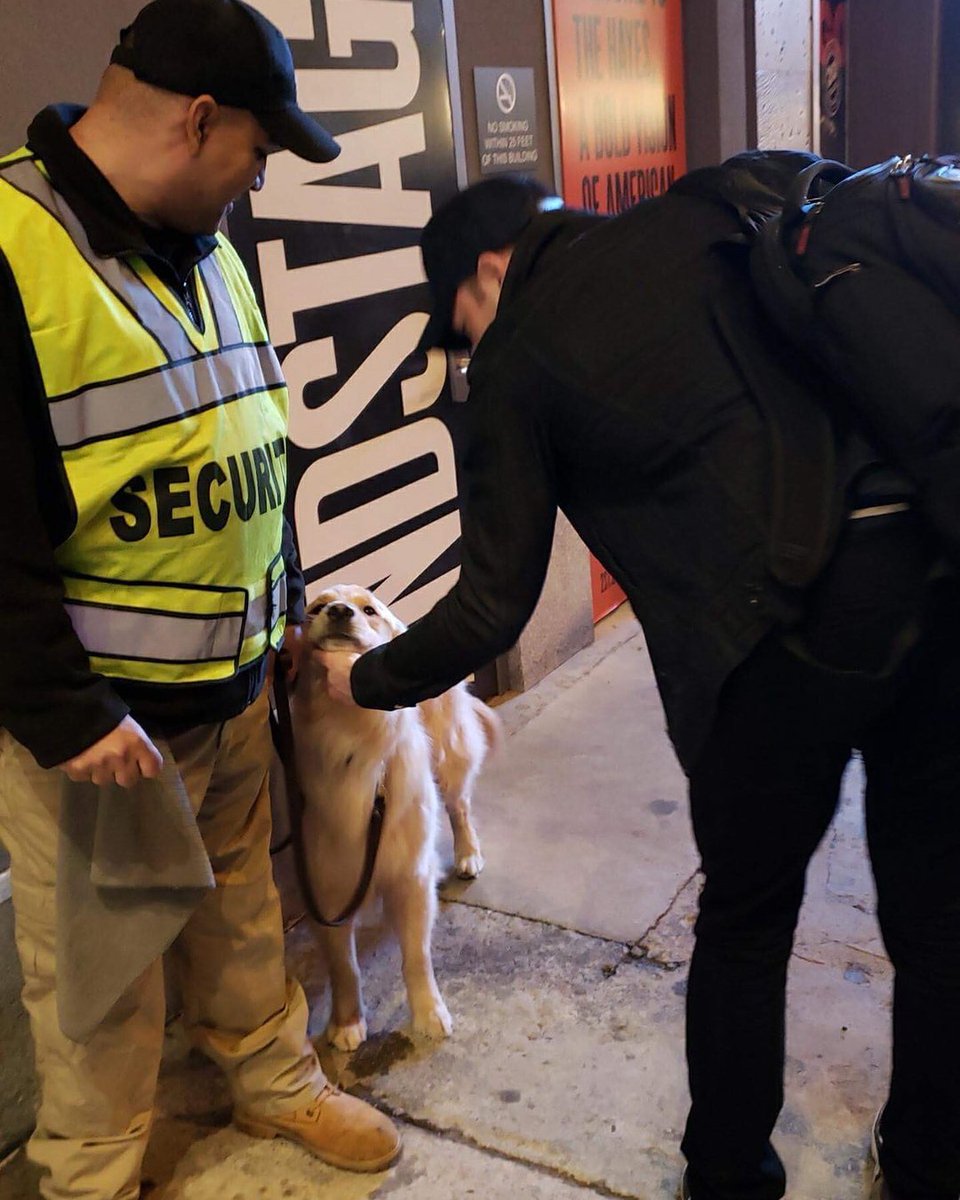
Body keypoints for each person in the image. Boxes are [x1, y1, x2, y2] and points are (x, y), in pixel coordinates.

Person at [318, 171, 960, 1200]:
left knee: (747, 926)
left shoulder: (522, 358)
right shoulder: (712, 210)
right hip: (930, 571)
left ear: (489, 271)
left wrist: (374, 680)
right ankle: (937, 1161)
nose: (471, 343)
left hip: (785, 630)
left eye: (463, 322)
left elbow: (493, 608)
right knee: (937, 909)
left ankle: (727, 1181)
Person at [0, 1, 401, 1196]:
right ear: (198, 118)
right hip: (103, 733)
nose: (256, 182)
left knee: (239, 912)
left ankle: (273, 1079)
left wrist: (276, 603)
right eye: (257, 154)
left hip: (227, 693)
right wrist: (66, 716)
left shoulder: (208, 249)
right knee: (97, 974)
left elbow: (248, 435)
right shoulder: (15, 249)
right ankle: (92, 1167)